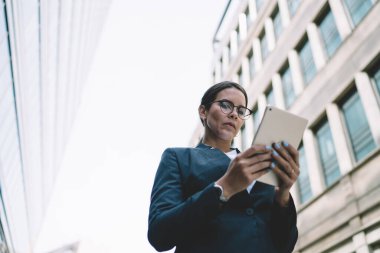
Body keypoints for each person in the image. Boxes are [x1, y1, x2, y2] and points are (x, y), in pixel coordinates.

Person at [148, 81, 299, 253]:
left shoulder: (259, 163)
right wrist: (224, 188)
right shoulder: (178, 158)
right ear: (203, 111)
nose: (234, 114)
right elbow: (159, 234)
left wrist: (283, 195)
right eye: (226, 106)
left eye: (241, 111)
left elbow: (285, 246)